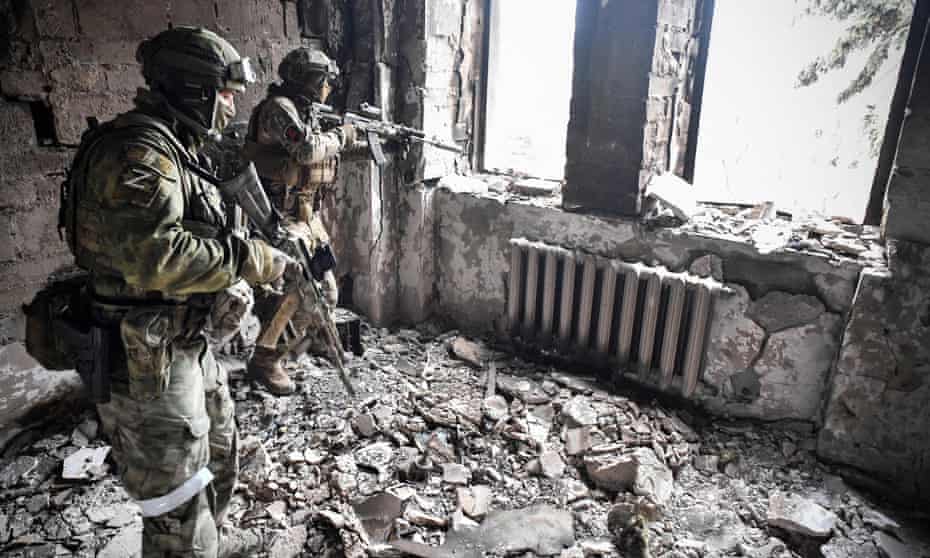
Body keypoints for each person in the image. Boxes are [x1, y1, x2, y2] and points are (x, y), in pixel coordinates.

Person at [61, 26, 292, 557]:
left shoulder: (178, 145)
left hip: (186, 343)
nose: (232, 105)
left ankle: (215, 541)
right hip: (145, 362)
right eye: (226, 93)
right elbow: (154, 257)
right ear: (195, 90)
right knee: (177, 509)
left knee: (221, 458)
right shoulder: (139, 154)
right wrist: (247, 259)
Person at [242, 47, 356, 396]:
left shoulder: (305, 111)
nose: (328, 88)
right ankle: (265, 359)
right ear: (309, 81)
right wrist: (342, 136)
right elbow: (306, 150)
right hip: (273, 217)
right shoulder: (278, 109)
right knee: (308, 291)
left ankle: (315, 338)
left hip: (305, 217)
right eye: (324, 81)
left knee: (328, 288)